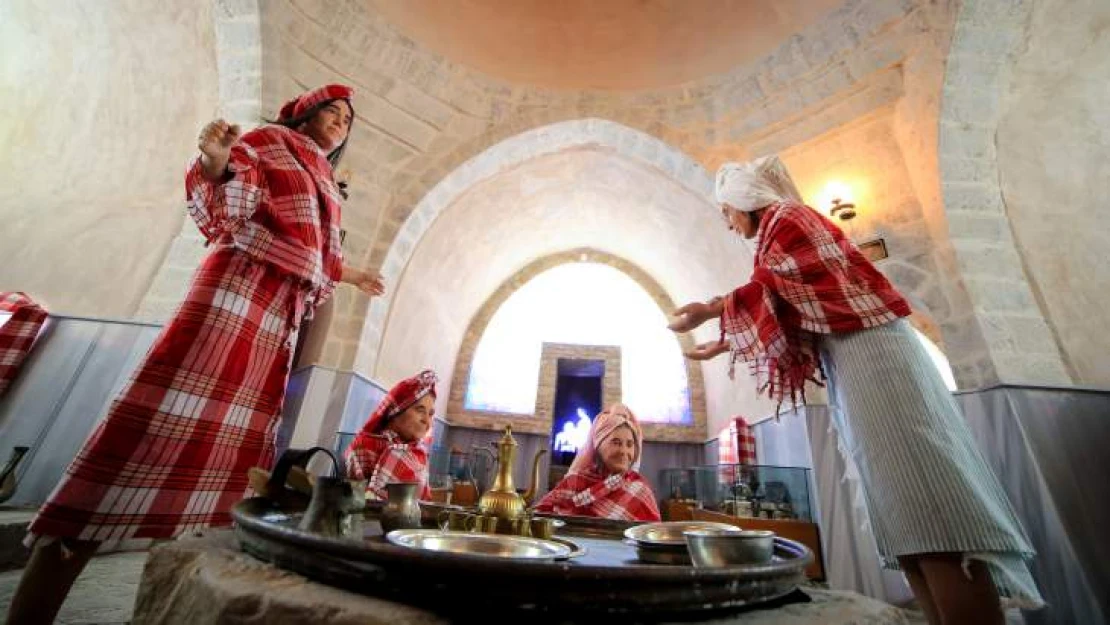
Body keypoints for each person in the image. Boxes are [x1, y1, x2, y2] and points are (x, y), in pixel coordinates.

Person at [6, 84, 384, 625]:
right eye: (332, 111)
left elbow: (311, 252)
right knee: (149, 429)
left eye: (349, 119)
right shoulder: (271, 142)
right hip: (234, 299)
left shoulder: (325, 179)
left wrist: (352, 274)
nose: (342, 122)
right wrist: (215, 160)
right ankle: (44, 584)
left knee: (238, 469)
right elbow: (232, 201)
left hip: (279, 322)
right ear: (303, 114)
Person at [669, 155, 1043, 624]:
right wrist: (725, 341)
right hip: (858, 368)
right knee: (906, 518)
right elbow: (784, 305)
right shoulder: (773, 241)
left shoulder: (790, 218)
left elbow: (774, 289)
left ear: (745, 201)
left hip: (881, 365)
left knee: (931, 507)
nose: (725, 222)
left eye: (725, 210)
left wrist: (711, 309)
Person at [534, 403, 661, 522]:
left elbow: (651, 537)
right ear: (598, 445)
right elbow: (539, 519)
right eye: (616, 442)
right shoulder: (575, 481)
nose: (624, 451)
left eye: (629, 444)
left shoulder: (639, 490)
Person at [345, 369, 437, 501]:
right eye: (420, 410)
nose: (427, 421)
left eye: (431, 414)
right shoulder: (364, 447)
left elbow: (424, 503)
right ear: (395, 412)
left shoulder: (418, 454)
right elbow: (353, 499)